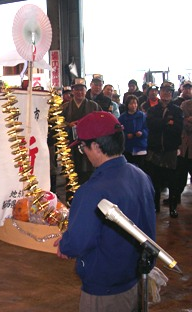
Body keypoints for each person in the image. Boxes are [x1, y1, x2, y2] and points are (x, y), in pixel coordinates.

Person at [54, 111, 156, 312]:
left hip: (104, 292)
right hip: (135, 280)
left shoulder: (92, 191)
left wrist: (65, 245)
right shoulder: (140, 176)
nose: (84, 152)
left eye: (83, 147)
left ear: (97, 147)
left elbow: (77, 241)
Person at [146, 81, 183, 217]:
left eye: (169, 91)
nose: (166, 93)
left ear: (172, 94)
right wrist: (167, 122)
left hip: (171, 151)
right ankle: (155, 206)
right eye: (164, 90)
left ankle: (173, 208)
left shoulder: (177, 110)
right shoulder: (152, 110)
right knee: (155, 180)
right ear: (159, 92)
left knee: (172, 181)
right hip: (155, 150)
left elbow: (178, 129)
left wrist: (162, 124)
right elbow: (151, 125)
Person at [62, 78, 101, 184]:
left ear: (85, 90)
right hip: (71, 145)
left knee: (88, 175)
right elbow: (59, 123)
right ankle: (71, 200)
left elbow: (100, 123)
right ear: (72, 91)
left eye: (81, 89)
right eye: (76, 89)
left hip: (89, 145)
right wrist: (68, 125)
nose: (79, 92)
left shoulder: (94, 106)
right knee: (71, 174)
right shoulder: (65, 107)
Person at [118, 95, 148, 169]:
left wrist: (142, 133)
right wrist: (126, 135)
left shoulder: (142, 115)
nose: (133, 105)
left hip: (140, 146)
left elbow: (146, 129)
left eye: (135, 103)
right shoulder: (123, 117)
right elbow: (119, 131)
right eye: (131, 103)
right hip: (127, 147)